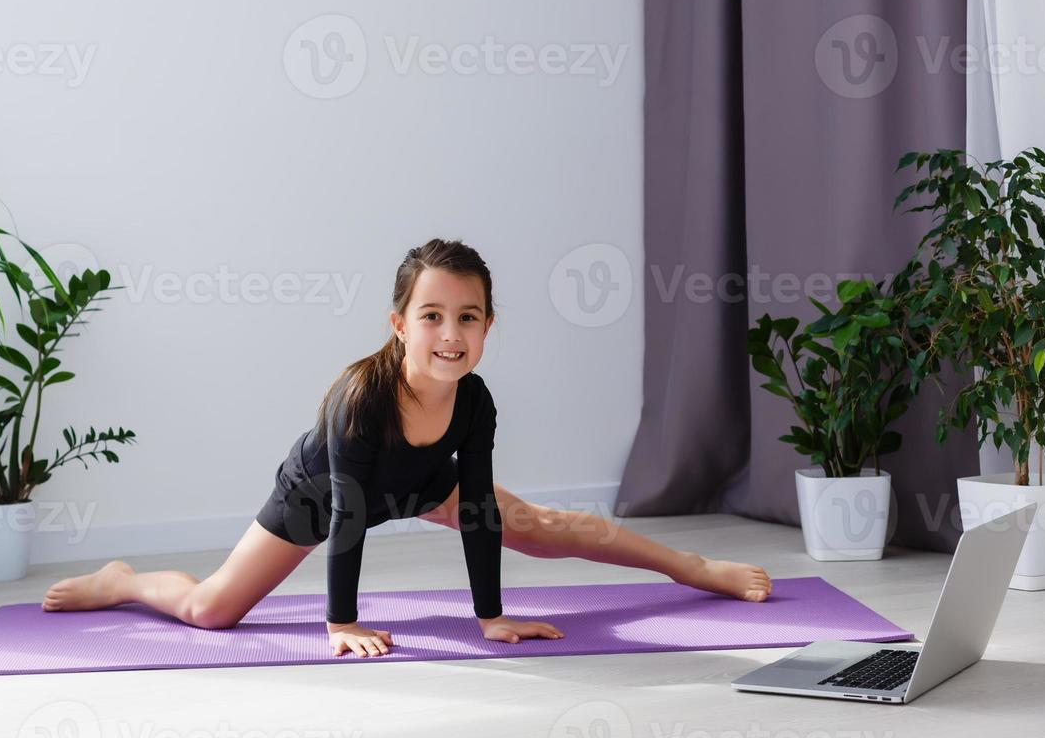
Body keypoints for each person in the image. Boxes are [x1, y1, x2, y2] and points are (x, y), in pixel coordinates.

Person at [42, 238, 772, 658]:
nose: (450, 334)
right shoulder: (360, 400)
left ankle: (696, 568)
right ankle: (124, 581)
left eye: (467, 317)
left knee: (550, 529)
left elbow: (480, 505)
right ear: (400, 323)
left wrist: (490, 615)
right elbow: (349, 514)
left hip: (422, 483)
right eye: (432, 316)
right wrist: (340, 623)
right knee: (211, 611)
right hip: (322, 497)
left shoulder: (476, 399)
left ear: (489, 325)